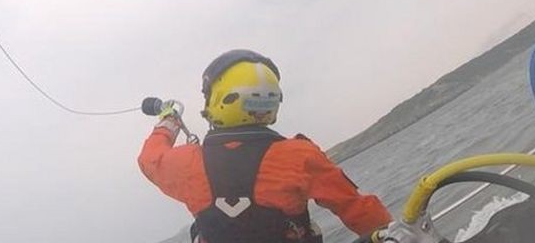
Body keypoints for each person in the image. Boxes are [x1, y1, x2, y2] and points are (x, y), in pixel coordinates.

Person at [138, 50, 392, 243]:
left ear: (217, 98)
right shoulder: (299, 155)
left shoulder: (186, 164)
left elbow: (149, 159)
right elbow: (359, 210)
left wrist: (169, 120)